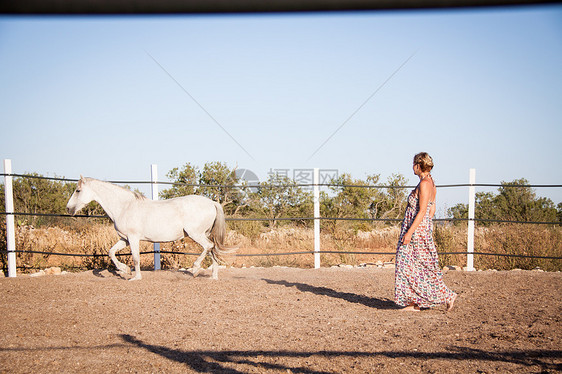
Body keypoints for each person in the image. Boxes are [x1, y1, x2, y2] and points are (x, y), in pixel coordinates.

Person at [394, 152, 457, 312]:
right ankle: (416, 302)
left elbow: (422, 210)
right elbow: (432, 208)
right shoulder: (430, 182)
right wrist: (426, 227)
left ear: (417, 165)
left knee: (406, 262)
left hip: (416, 229)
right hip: (421, 228)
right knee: (417, 265)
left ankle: (445, 295)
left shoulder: (424, 184)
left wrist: (410, 232)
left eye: (413, 164)